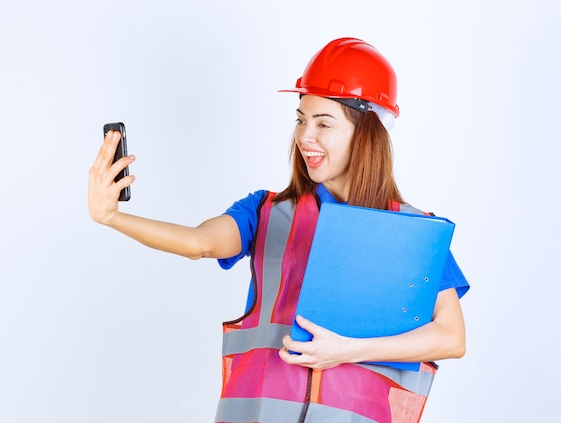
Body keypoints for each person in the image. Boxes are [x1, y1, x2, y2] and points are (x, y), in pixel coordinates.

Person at [88, 37, 469, 423]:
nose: (305, 136)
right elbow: (198, 242)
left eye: (324, 123)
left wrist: (347, 350)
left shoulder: (412, 233)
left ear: (367, 132)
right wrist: (113, 217)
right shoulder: (266, 211)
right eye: (301, 119)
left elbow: (452, 337)